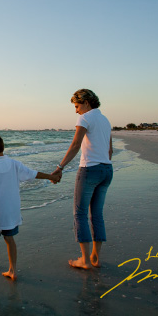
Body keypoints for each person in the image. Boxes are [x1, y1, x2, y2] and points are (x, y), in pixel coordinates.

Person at [0, 134, 60, 280]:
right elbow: (33, 174)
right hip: (11, 210)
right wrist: (51, 177)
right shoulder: (14, 164)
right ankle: (12, 270)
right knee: (9, 239)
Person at [52, 89, 113, 270]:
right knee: (97, 214)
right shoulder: (105, 120)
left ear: (86, 102)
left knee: (80, 214)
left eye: (77, 106)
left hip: (90, 170)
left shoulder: (85, 118)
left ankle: (85, 260)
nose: (76, 111)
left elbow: (75, 145)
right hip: (107, 169)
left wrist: (60, 167)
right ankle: (95, 258)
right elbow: (109, 150)